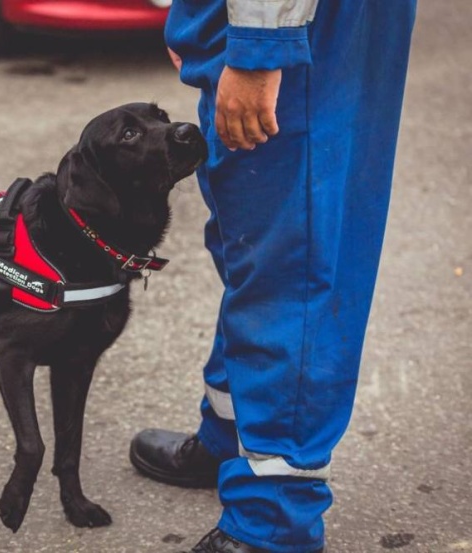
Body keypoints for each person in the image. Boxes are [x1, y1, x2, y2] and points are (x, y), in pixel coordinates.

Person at [129, 1, 417, 551]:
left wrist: (260, 49)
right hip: (272, 21)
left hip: (292, 26)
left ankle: (272, 518)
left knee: (291, 268)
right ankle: (232, 436)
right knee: (252, 246)